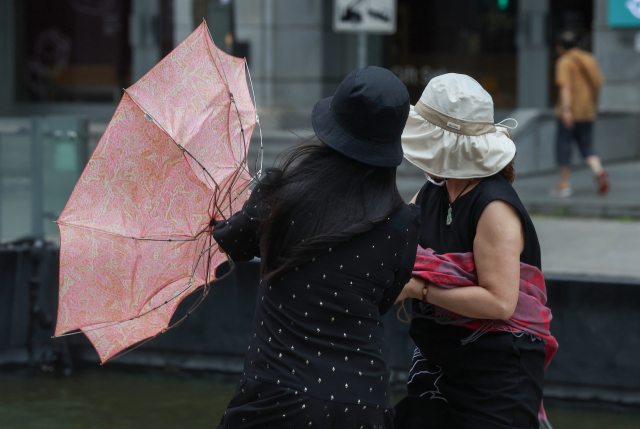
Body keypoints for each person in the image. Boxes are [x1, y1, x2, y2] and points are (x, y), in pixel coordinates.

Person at [212, 66, 421, 428]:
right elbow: (383, 300)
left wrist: (227, 216)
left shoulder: (281, 193)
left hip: (277, 396)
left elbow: (234, 243)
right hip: (361, 405)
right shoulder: (403, 224)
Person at [394, 73, 548, 429]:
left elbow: (500, 303)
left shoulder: (493, 206)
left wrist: (420, 289)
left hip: (494, 378)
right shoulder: (435, 190)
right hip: (439, 363)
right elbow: (398, 240)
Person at [552, 30, 608, 197]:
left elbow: (565, 87)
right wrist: (594, 105)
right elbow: (598, 84)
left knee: (564, 146)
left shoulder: (564, 61)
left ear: (561, 47)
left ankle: (564, 184)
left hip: (570, 113)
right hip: (587, 111)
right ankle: (599, 171)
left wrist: (567, 110)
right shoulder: (589, 58)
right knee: (587, 146)